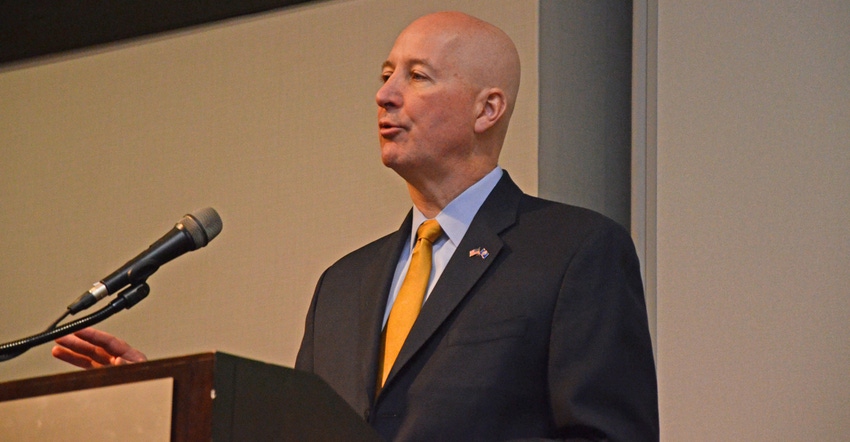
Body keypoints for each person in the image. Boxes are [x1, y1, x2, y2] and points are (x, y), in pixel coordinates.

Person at [54, 11, 659, 441]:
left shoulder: (574, 251)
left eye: (418, 76)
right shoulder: (344, 283)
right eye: (385, 74)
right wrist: (177, 399)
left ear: (487, 108)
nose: (386, 95)